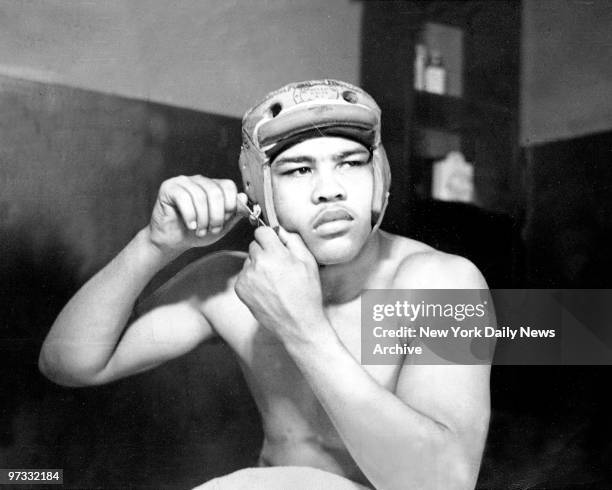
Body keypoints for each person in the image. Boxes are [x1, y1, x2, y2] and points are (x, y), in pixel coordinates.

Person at [39, 79, 491, 490]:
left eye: (351, 162)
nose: (330, 190)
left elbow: (445, 484)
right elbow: (69, 364)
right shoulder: (229, 284)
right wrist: (153, 246)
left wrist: (302, 326)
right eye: (298, 170)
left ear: (379, 177)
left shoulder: (442, 284)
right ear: (258, 192)